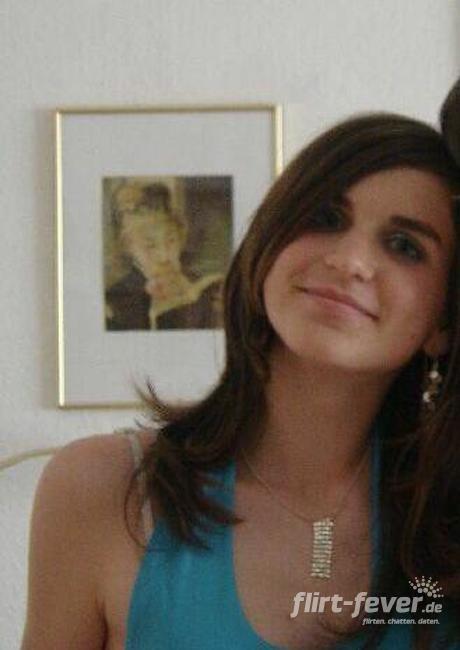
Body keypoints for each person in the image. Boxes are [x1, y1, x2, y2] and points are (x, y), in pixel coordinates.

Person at [22, 81, 460, 650]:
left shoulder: (446, 532)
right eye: (327, 217)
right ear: (269, 243)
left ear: (442, 324)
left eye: (404, 246)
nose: (350, 260)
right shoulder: (104, 489)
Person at [105, 181, 224, 330]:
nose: (164, 256)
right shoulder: (115, 300)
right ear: (128, 246)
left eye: (171, 241)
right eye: (150, 246)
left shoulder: (203, 289)